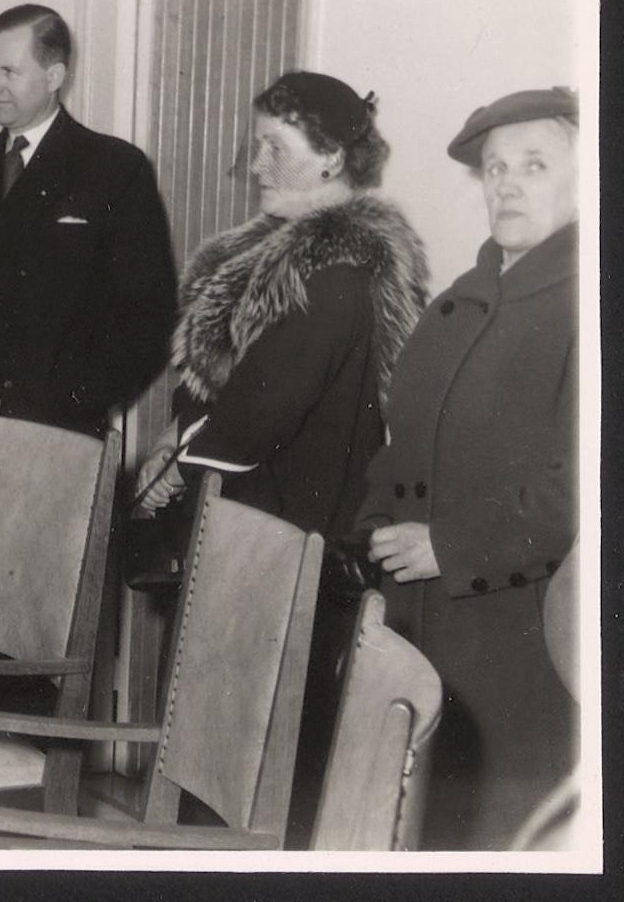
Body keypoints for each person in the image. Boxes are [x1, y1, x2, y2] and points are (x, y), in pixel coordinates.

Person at [135, 71, 430, 844]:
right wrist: (179, 435)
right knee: (222, 751)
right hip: (254, 528)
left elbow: (255, 415)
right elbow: (220, 394)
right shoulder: (292, 259)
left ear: (330, 156)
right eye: (255, 143)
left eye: (274, 145)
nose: (255, 163)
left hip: (283, 539)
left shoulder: (334, 274)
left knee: (248, 765)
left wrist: (171, 465)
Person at [357, 86, 580, 849]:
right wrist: (373, 530)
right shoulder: (460, 299)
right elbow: (403, 440)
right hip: (417, 624)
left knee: (491, 838)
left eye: (534, 165)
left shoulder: (586, 305)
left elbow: (582, 489)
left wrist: (448, 545)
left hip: (518, 641)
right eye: (494, 168)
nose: (507, 184)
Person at [0, 4, 178, 593]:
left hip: (57, 450)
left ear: (55, 75)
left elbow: (150, 316)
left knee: (46, 629)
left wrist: (78, 402)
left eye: (9, 71)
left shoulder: (113, 169)